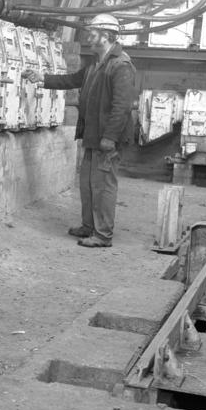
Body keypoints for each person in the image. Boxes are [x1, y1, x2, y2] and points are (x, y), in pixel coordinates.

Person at [21, 13, 137, 248]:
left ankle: (103, 235)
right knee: (87, 183)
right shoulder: (96, 63)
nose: (88, 35)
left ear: (106, 35)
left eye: (93, 32)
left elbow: (122, 107)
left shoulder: (121, 65)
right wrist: (40, 78)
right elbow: (72, 80)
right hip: (93, 135)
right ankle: (89, 225)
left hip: (106, 138)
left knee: (103, 185)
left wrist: (110, 137)